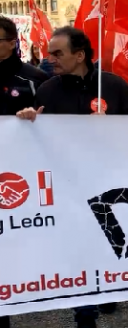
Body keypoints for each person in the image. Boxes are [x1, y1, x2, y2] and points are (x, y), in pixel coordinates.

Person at [15, 26, 128, 328]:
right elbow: (34, 141)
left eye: (58, 53)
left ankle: (106, 284)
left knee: (109, 243)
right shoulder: (47, 90)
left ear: (80, 54)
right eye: (49, 53)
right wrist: (28, 121)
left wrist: (114, 124)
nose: (50, 59)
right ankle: (85, 313)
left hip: (109, 183)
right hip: (67, 186)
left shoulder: (113, 86)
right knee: (80, 248)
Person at [0, 16, 49, 328]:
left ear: (12, 41)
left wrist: (35, 119)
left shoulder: (34, 77)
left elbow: (53, 122)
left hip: (24, 176)